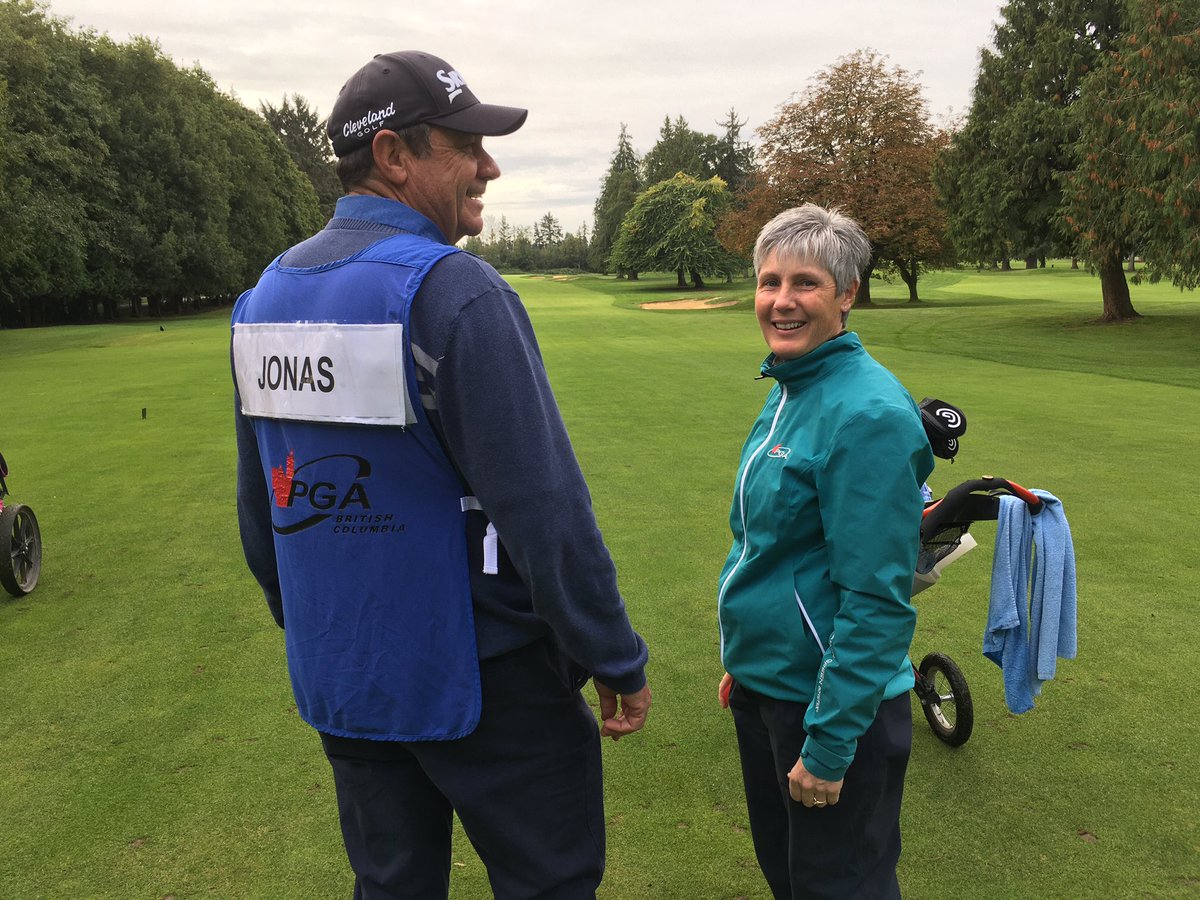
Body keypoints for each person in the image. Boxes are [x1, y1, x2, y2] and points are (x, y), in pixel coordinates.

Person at [231, 50, 650, 899]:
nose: (489, 165)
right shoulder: (455, 291)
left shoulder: (264, 298)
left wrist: (311, 622)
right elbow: (546, 512)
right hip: (484, 678)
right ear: (393, 156)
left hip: (343, 669)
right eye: (465, 145)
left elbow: (259, 507)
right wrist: (613, 655)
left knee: (390, 886)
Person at [716, 204, 933, 899]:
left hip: (833, 710)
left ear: (846, 294)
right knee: (790, 878)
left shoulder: (865, 413)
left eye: (805, 283)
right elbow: (766, 545)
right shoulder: (792, 384)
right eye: (769, 281)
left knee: (839, 888)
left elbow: (876, 602)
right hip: (774, 688)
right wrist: (748, 666)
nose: (781, 301)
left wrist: (831, 742)